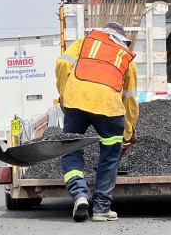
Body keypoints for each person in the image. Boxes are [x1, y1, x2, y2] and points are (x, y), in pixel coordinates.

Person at [55, 22, 139, 222]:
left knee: (71, 149)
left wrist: (64, 96)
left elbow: (62, 64)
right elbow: (129, 99)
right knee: (109, 158)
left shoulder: (85, 42)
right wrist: (128, 132)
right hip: (109, 109)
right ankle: (101, 209)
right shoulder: (126, 56)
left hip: (76, 103)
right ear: (121, 39)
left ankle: (80, 194)